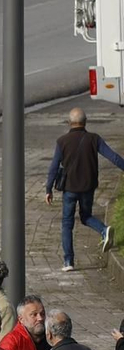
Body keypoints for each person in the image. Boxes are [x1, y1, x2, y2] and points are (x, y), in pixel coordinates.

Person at [44, 106, 124, 271]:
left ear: (69, 122)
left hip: (70, 188)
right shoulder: (94, 139)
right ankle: (103, 229)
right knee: (85, 216)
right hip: (88, 186)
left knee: (67, 223)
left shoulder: (62, 141)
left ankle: (68, 262)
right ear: (85, 122)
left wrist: (48, 189)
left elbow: (53, 167)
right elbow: (113, 156)